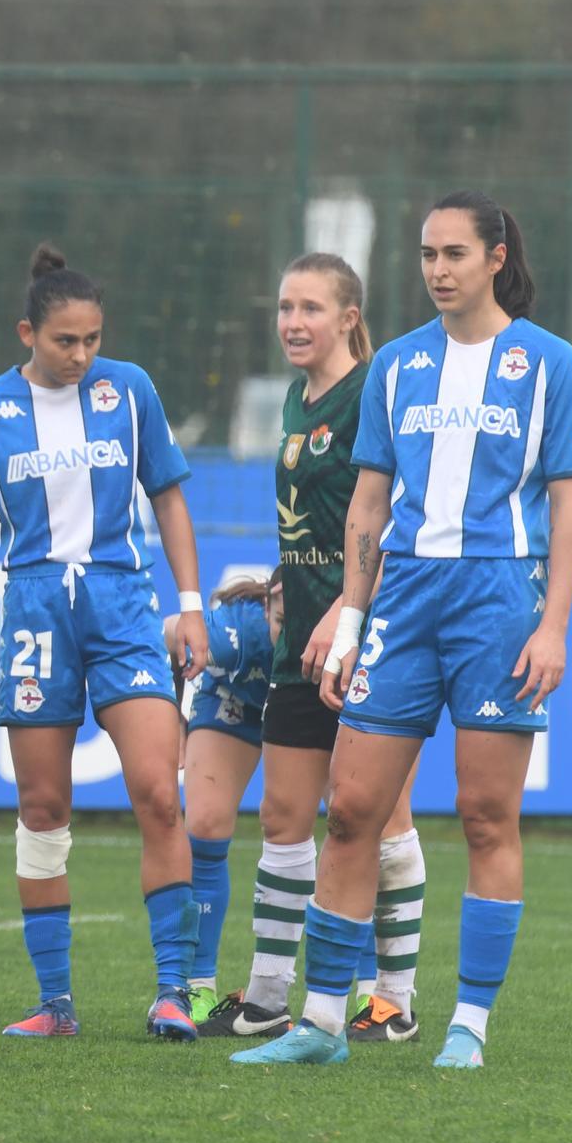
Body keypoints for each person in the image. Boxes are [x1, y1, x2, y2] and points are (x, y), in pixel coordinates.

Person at [235, 193, 572, 1069]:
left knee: (483, 814)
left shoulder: (549, 364)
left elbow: (569, 502)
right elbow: (369, 502)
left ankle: (467, 1024)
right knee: (352, 809)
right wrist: (350, 614)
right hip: (404, 600)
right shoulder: (396, 366)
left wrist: (553, 627)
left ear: (495, 258)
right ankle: (321, 1023)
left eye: (454, 253)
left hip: (499, 601)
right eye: (427, 254)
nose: (437, 269)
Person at [0, 244, 210, 1042]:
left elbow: (166, 497)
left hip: (122, 605)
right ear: (28, 331)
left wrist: (191, 605)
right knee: (42, 807)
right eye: (66, 340)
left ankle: (174, 990)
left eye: (93, 338)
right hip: (31, 611)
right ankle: (55, 1002)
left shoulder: (129, 392)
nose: (82, 354)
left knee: (160, 793)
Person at [199, 254, 425, 1043]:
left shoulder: (377, 394)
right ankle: (267, 994)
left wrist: (350, 613)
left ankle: (392, 999)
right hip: (302, 635)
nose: (294, 322)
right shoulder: (299, 400)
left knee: (378, 814)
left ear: (350, 318)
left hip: (371, 634)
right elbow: (312, 526)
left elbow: (396, 517)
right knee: (286, 810)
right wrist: (282, 589)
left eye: (312, 308)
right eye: (286, 306)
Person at [167, 572, 276, 1023]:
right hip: (234, 697)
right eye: (280, 618)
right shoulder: (235, 635)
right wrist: (174, 715)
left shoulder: (340, 631)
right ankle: (199, 987)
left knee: (353, 820)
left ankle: (373, 995)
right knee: (205, 825)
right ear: (268, 607)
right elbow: (173, 631)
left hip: (311, 698)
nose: (286, 630)